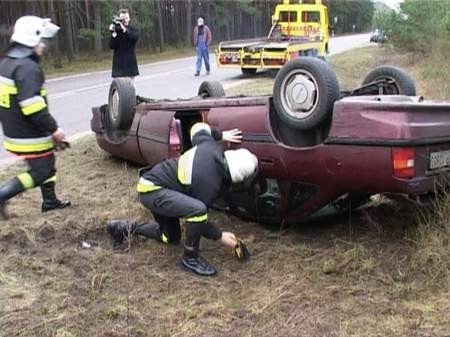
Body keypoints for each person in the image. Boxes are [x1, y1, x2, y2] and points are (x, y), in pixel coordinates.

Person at [107, 123, 258, 276]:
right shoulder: (209, 185)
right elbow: (199, 219)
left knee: (169, 237)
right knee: (198, 210)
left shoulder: (211, 146)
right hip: (152, 190)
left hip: (154, 184)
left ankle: (120, 227)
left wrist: (221, 135)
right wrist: (220, 236)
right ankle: (190, 258)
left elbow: (198, 128)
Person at [0, 16, 71, 219]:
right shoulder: (27, 68)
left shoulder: (7, 63)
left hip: (16, 131)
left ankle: (50, 201)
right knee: (42, 171)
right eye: (42, 41)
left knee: (47, 161)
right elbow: (33, 107)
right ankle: (3, 194)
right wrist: (54, 130)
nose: (44, 45)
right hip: (29, 133)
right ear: (31, 39)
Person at [109, 9, 139, 82]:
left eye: (126, 18)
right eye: (122, 18)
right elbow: (111, 46)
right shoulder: (116, 31)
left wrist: (124, 30)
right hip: (118, 67)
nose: (125, 20)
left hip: (130, 66)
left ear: (129, 18)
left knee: (131, 90)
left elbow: (134, 38)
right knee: (118, 91)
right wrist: (113, 33)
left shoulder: (133, 29)